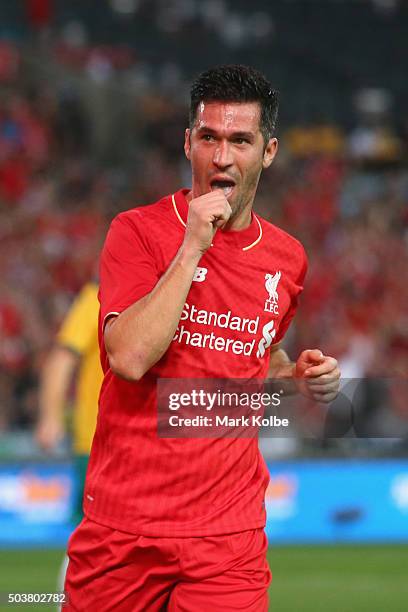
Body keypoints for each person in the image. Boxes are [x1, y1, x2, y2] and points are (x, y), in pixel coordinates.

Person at [64, 65, 340, 611]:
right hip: (125, 528)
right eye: (209, 137)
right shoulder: (137, 232)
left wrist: (293, 371)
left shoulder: (288, 259)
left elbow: (251, 353)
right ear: (188, 143)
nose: (221, 157)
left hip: (228, 537)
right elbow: (129, 357)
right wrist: (192, 247)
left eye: (240, 140)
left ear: (268, 152)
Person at [35, 281, 102, 525]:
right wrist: (51, 417)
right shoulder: (98, 296)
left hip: (147, 442)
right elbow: (62, 359)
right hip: (100, 443)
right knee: (94, 537)